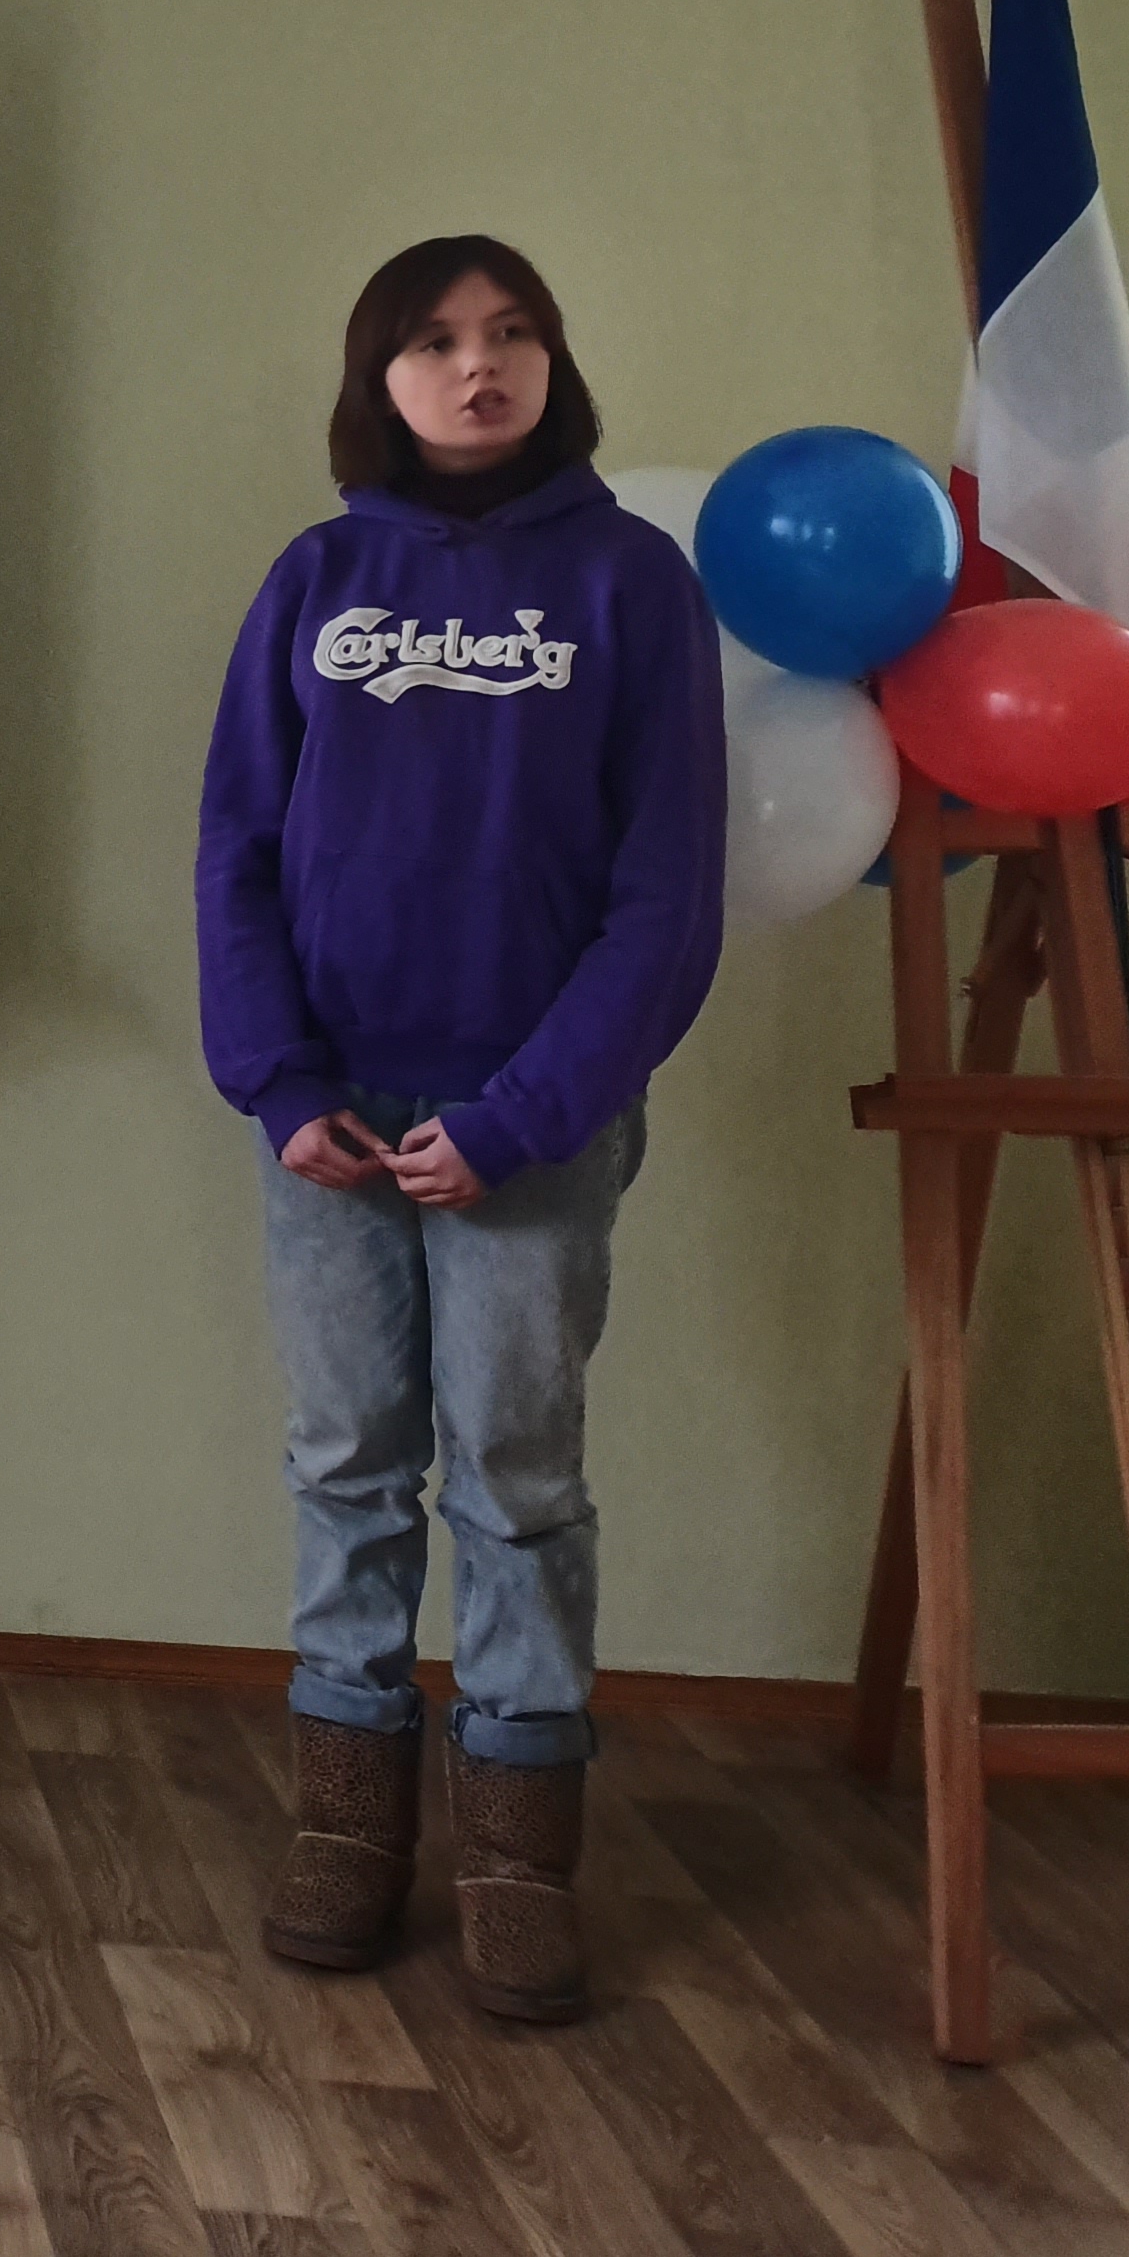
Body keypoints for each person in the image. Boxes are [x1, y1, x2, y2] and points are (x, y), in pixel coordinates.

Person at [194, 234, 721, 2023]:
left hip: (530, 1126)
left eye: (511, 334)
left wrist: (527, 1114)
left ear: (554, 362)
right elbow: (237, 851)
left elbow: (666, 893)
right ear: (382, 376)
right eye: (433, 341)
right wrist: (282, 1085)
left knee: (516, 1474)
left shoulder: (632, 584)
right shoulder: (318, 577)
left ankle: (516, 1849)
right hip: (332, 1121)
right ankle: (349, 1821)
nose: (476, 366)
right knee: (348, 1464)